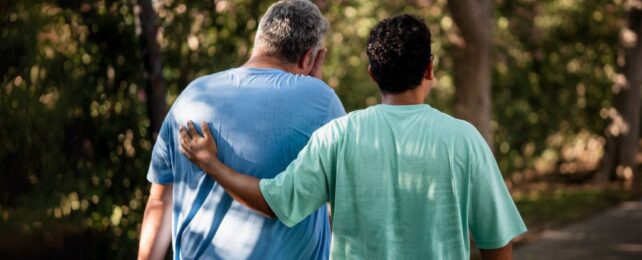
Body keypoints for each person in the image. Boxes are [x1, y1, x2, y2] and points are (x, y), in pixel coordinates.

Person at [179, 14, 527, 259]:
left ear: (372, 74)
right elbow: (497, 243)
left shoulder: (337, 136)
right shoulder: (464, 140)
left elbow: (276, 203)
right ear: (429, 69)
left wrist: (211, 163)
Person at [137, 1, 345, 259]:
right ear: (308, 58)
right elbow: (347, 194)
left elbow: (160, 201)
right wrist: (314, 92)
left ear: (260, 41)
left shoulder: (193, 95)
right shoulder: (321, 100)